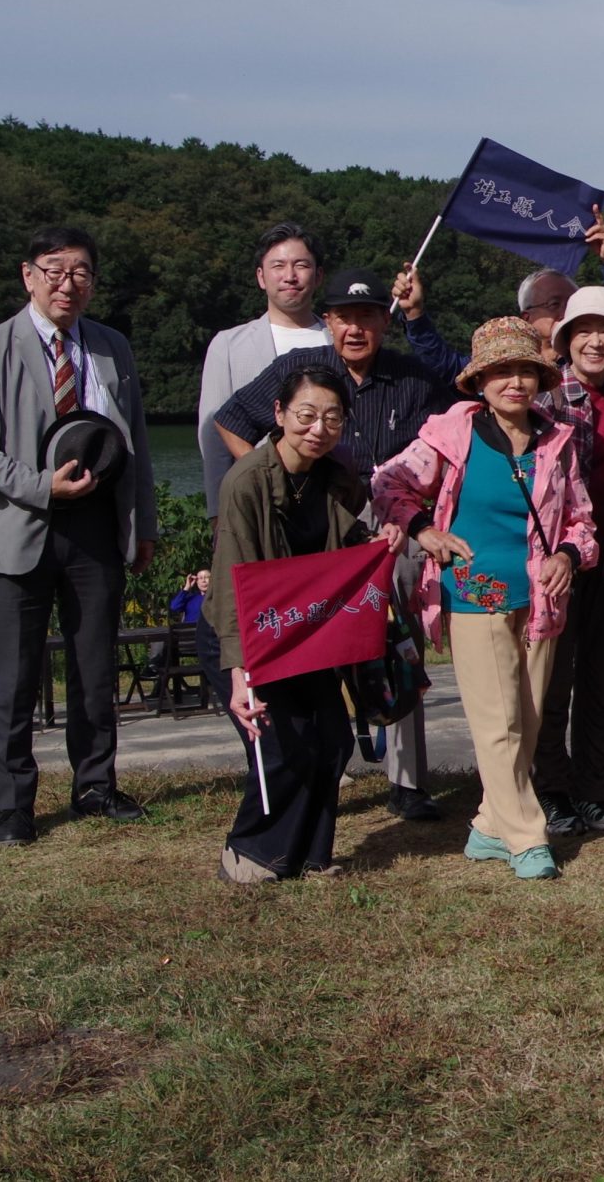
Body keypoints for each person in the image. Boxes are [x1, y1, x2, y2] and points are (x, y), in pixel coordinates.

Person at [218, 267, 455, 821]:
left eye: (368, 316)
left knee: (398, 644)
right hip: (318, 515)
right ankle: (316, 763)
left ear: (384, 322)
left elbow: (462, 414)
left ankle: (407, 780)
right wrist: (274, 483)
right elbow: (229, 420)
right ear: (326, 322)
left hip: (390, 519)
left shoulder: (412, 377)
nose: (355, 328)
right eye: (343, 317)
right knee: (310, 644)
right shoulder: (300, 372)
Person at [371, 318, 597, 881]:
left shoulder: (557, 440)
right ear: (480, 380)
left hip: (543, 599)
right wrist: (425, 530)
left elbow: (581, 519)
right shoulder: (452, 434)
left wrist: (568, 556)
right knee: (497, 722)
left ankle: (488, 828)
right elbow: (386, 484)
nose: (514, 382)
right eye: (501, 372)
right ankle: (527, 837)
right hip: (473, 594)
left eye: (525, 370)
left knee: (527, 717)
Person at [0, 227, 160, 844]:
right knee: (15, 676)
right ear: (28, 275)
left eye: (81, 272)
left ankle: (95, 786)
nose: (67, 284)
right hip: (19, 527)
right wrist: (44, 487)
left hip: (96, 530)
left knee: (94, 668)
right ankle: (14, 806)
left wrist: (142, 525)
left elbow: (138, 444)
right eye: (54, 270)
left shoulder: (110, 346)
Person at [206, 366, 387, 882]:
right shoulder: (245, 482)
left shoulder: (336, 479)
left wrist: (377, 543)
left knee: (330, 739)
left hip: (305, 632)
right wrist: (240, 671)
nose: (318, 428)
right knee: (282, 746)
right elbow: (231, 578)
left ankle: (311, 855)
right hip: (245, 633)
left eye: (332, 417)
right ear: (280, 414)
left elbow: (346, 547)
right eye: (306, 415)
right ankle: (249, 852)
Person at [532, 286, 604, 838]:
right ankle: (550, 791)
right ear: (565, 339)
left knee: (600, 682)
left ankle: (592, 790)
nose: (595, 342)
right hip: (557, 561)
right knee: (553, 681)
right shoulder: (544, 401)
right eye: (584, 331)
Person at [392, 203, 604, 384]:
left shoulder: (592, 363)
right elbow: (445, 366)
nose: (566, 312)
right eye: (555, 303)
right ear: (527, 317)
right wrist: (414, 314)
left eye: (571, 304)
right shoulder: (501, 365)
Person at [197, 222, 329, 522]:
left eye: (301, 265)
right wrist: (220, 513)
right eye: (278, 266)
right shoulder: (228, 345)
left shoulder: (338, 341)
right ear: (261, 276)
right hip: (254, 504)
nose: (290, 276)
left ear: (318, 275)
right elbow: (212, 436)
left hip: (329, 501)